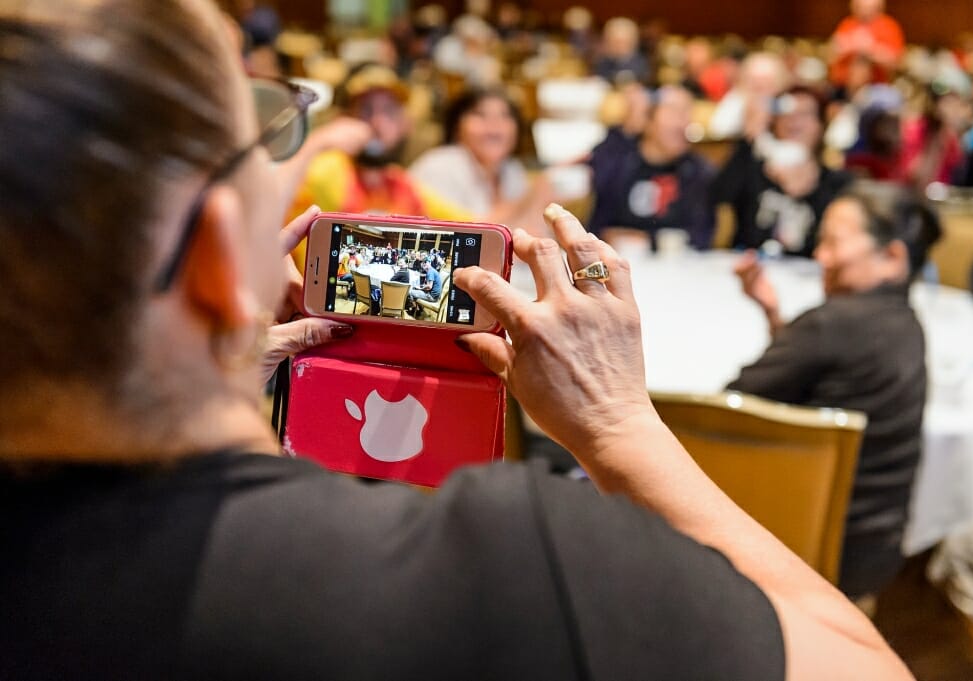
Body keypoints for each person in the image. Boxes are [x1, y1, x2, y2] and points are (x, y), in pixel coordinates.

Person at [0, 2, 915, 679]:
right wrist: (617, 423)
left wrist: (211, 364)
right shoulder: (508, 570)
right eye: (268, 140)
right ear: (209, 258)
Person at [727, 185, 942, 599]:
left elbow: (730, 409)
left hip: (805, 550)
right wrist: (773, 313)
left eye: (833, 243)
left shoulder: (833, 324)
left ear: (892, 257)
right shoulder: (905, 323)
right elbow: (814, 377)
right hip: (873, 554)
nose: (820, 257)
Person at [289, 63, 472, 266]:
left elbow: (470, 225)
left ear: (405, 124)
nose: (377, 123)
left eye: (389, 111)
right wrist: (318, 143)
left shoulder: (402, 184)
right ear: (345, 119)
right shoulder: (328, 169)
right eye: (366, 110)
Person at [711, 86, 853, 256]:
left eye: (805, 114)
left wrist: (808, 191)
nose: (794, 121)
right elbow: (716, 197)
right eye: (786, 113)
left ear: (821, 125)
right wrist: (750, 139)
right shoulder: (751, 168)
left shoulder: (838, 184)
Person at [408, 88, 553, 235]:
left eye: (505, 116)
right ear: (457, 127)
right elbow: (465, 237)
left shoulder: (512, 169)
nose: (494, 125)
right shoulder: (439, 165)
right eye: (480, 115)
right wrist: (531, 196)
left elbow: (534, 232)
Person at [587, 85, 716, 251]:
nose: (682, 123)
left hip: (676, 267)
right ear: (648, 119)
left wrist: (649, 240)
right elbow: (598, 221)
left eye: (687, 114)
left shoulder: (697, 172)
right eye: (674, 112)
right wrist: (626, 127)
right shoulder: (620, 161)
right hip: (613, 261)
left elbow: (701, 234)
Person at [829, 0, 905, 88]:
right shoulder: (847, 24)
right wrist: (851, 45)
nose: (864, 12)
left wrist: (869, 49)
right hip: (842, 85)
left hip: (877, 87)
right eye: (860, 7)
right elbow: (831, 54)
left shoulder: (889, 27)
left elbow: (896, 62)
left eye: (869, 8)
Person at [592, 17, 650, 85]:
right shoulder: (602, 63)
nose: (618, 46)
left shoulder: (643, 63)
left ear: (632, 41)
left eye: (621, 42)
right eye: (613, 41)